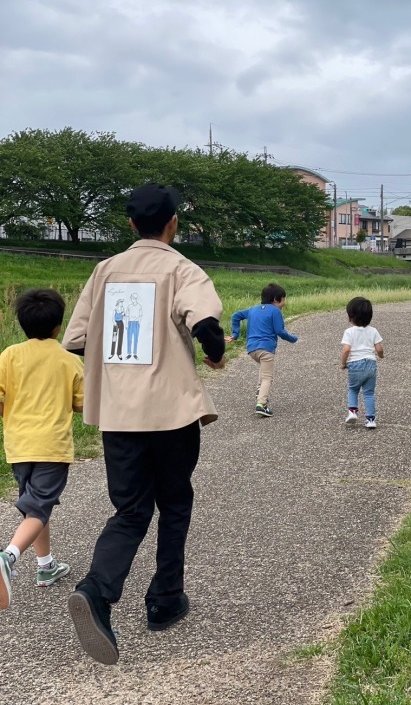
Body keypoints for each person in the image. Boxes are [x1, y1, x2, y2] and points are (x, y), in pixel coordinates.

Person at [61, 182, 226, 665]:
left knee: (131, 509)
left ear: (131, 224)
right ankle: (164, 599)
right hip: (171, 412)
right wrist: (213, 354)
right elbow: (206, 324)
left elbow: (75, 340)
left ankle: (97, 591)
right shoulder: (181, 268)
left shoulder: (104, 271)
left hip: (119, 415)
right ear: (173, 223)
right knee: (174, 501)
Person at [0, 288, 84, 611]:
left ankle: (46, 565)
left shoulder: (9, 355)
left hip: (18, 444)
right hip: (51, 446)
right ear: (58, 326)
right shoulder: (70, 361)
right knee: (38, 507)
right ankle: (8, 557)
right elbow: (82, 406)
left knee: (35, 507)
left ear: (21, 323)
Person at [225, 283, 298, 417]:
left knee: (264, 371)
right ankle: (261, 404)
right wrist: (292, 338)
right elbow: (279, 331)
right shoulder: (275, 311)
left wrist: (235, 334)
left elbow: (235, 316)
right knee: (267, 378)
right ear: (276, 299)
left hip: (252, 349)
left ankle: (260, 391)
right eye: (283, 299)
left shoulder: (253, 309)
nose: (284, 303)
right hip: (266, 348)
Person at [341, 296, 384, 429]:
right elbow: (379, 348)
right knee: (369, 393)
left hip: (355, 365)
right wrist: (381, 356)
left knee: (353, 389)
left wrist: (343, 363)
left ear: (351, 316)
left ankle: (353, 412)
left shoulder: (349, 332)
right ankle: (371, 420)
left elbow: (346, 350)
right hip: (371, 364)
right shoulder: (373, 330)